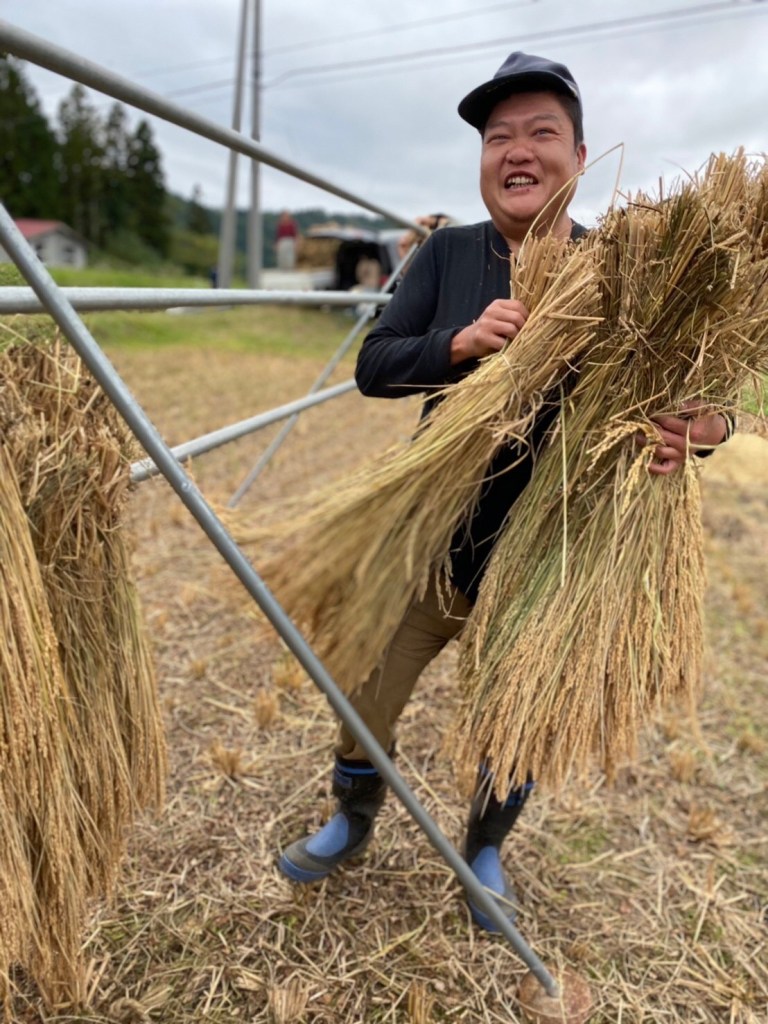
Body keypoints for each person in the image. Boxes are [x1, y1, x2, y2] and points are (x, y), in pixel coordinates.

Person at [277, 52, 730, 931]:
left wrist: (701, 431)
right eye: (497, 137)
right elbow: (374, 365)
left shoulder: (630, 269)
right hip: (433, 543)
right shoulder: (447, 254)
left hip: (553, 561)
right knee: (363, 685)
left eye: (540, 132)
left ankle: (485, 849)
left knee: (521, 717)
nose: (516, 151)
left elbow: (705, 400)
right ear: (483, 159)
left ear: (582, 155)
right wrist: (460, 343)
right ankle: (352, 818)